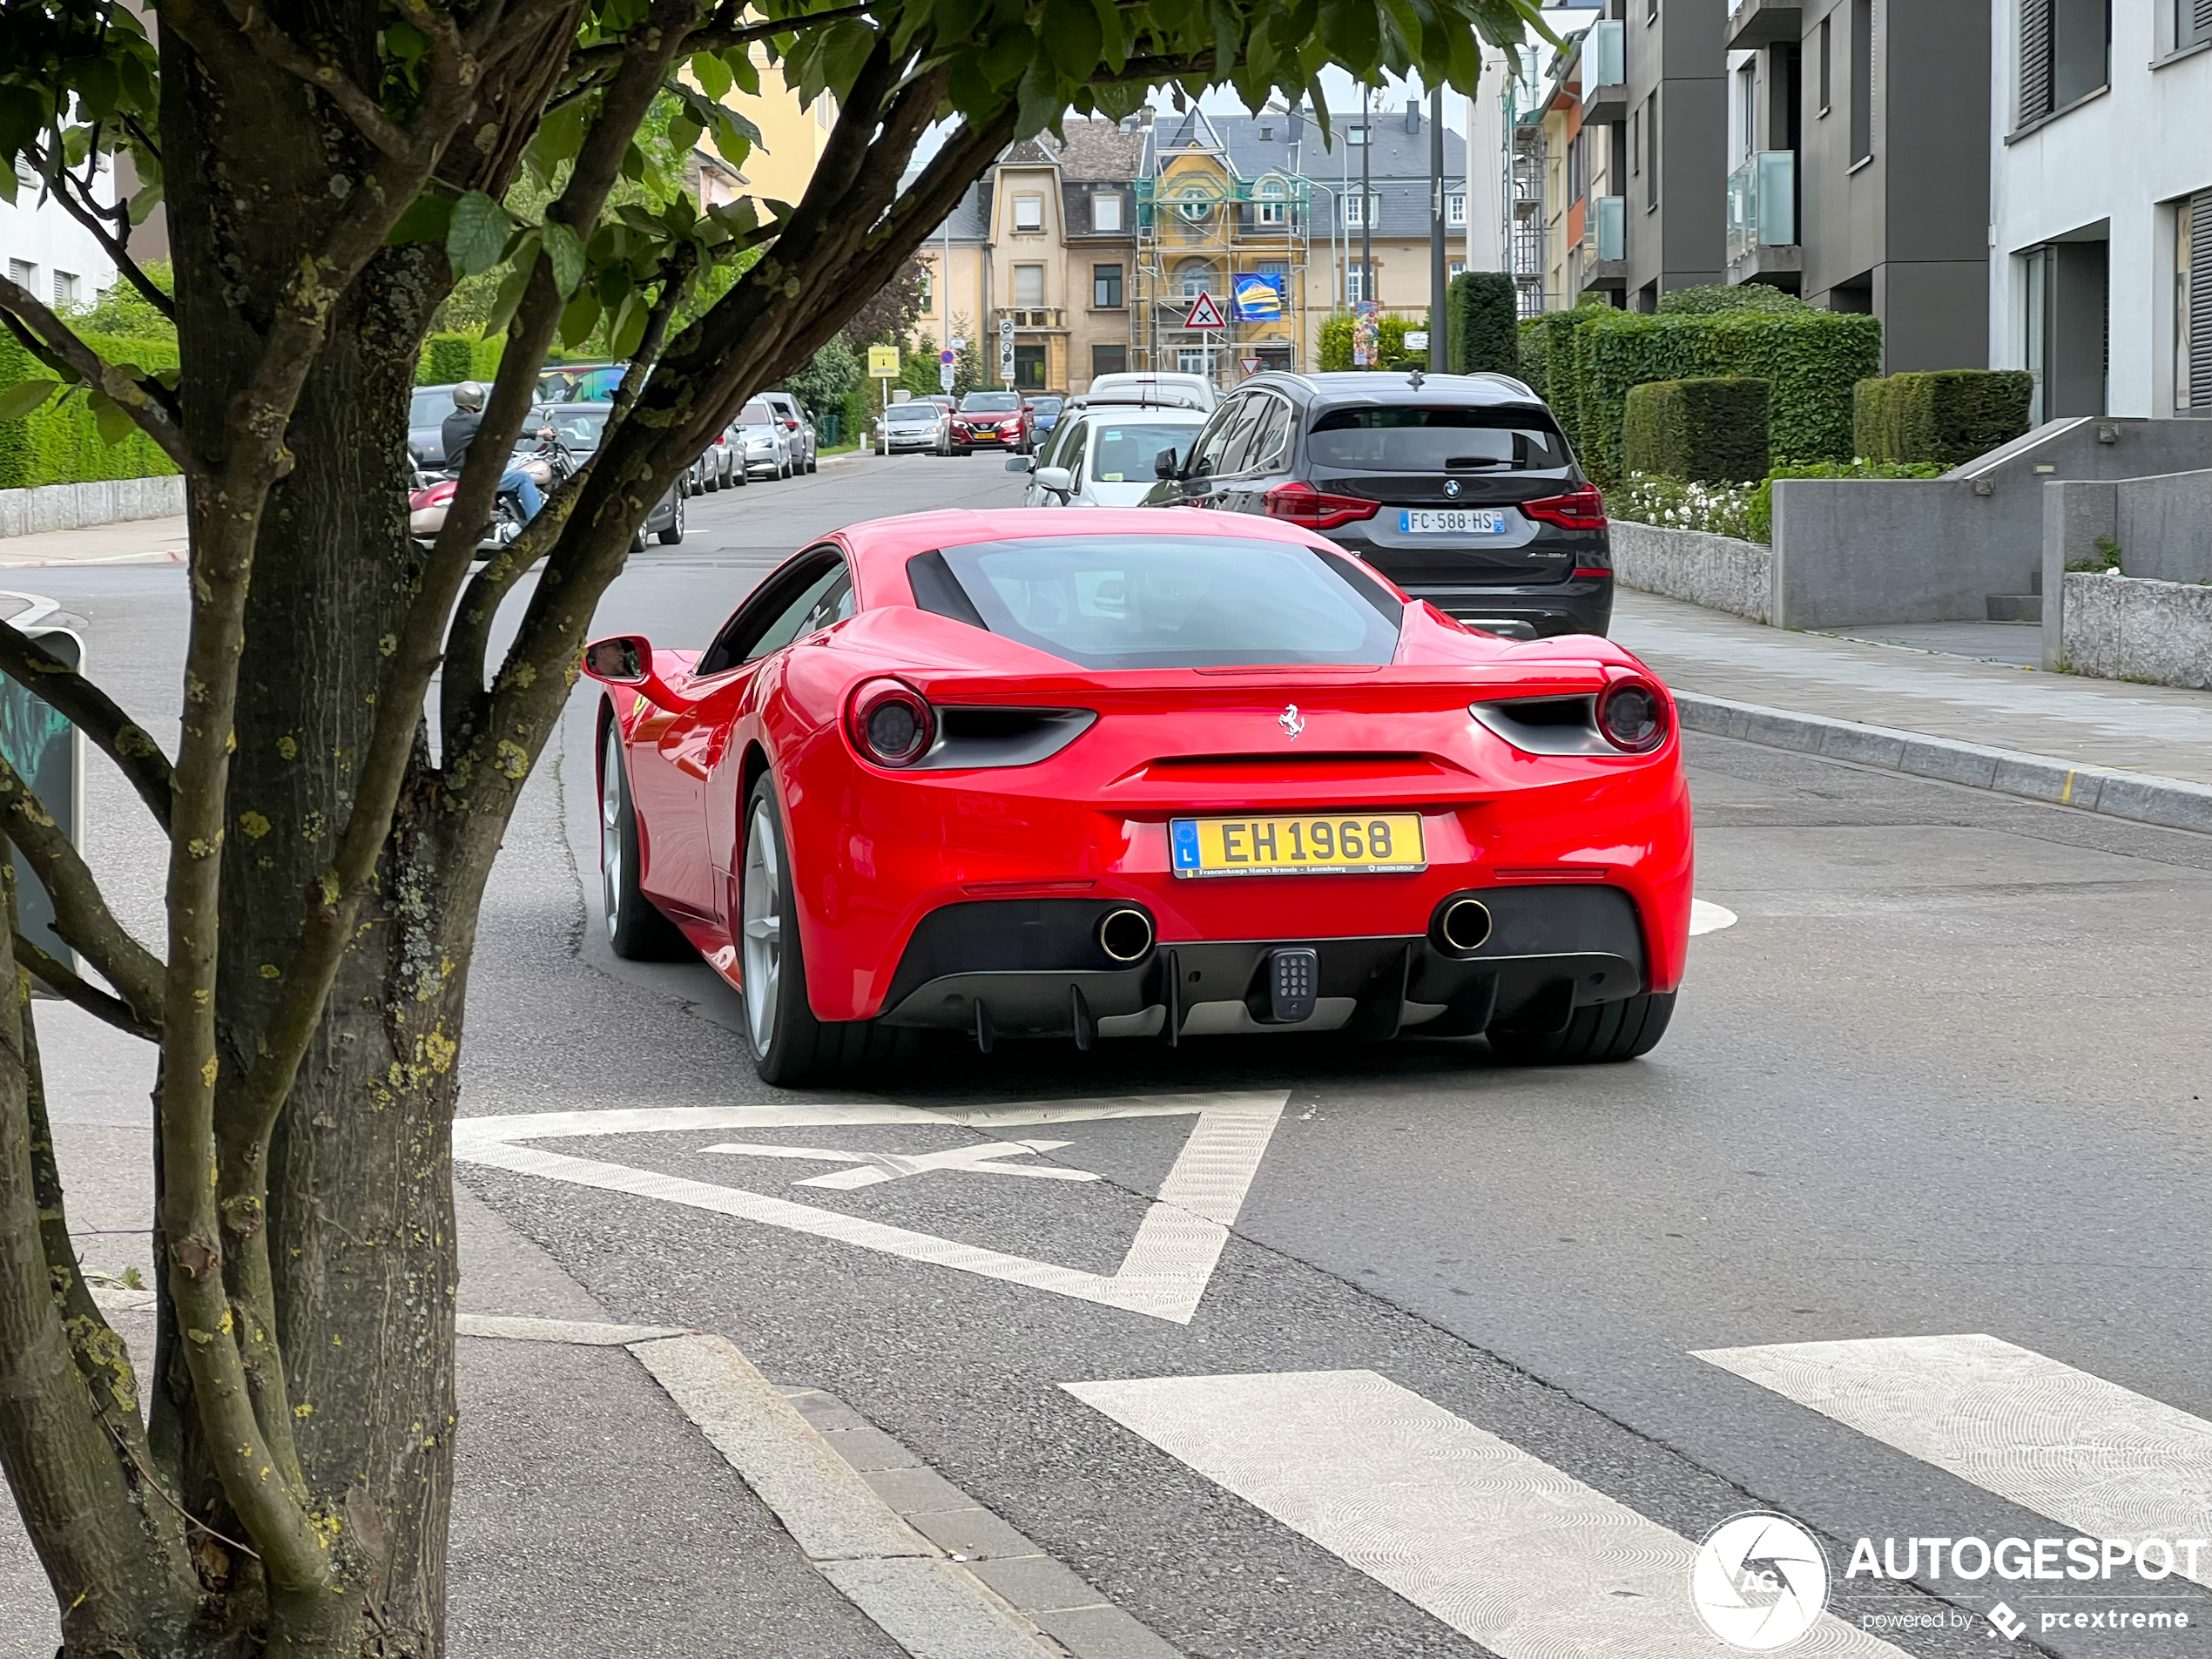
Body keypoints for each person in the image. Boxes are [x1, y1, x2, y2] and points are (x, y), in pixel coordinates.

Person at [440, 381, 544, 520]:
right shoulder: (474, 420)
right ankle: (536, 522)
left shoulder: (448, 421)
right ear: (477, 399)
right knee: (523, 477)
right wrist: (538, 433)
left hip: (455, 472)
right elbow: (506, 431)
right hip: (474, 476)